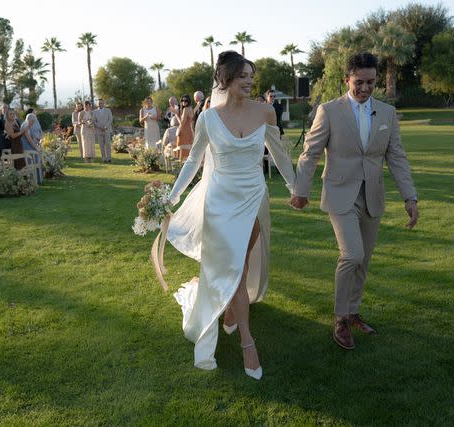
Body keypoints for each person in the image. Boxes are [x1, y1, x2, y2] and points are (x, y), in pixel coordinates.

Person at [164, 51, 296, 379]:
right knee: (234, 271)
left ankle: (231, 315)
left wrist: (295, 186)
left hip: (253, 199)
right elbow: (195, 160)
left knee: (243, 263)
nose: (250, 81)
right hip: (219, 203)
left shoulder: (266, 112)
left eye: (252, 75)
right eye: (243, 76)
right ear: (225, 80)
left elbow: (278, 154)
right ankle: (248, 344)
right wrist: (173, 195)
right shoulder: (208, 119)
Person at [290, 52, 419, 350]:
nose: (365, 88)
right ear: (347, 79)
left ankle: (353, 309)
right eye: (359, 82)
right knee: (352, 255)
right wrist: (301, 189)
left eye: (371, 82)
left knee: (364, 260)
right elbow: (309, 153)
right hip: (339, 194)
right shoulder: (329, 111)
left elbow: (396, 157)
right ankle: (340, 319)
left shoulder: (387, 113)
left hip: (372, 196)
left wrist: (409, 197)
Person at [21, 113, 42, 183]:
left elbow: (32, 138)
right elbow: (29, 140)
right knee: (33, 160)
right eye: (31, 121)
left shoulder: (28, 125)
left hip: (28, 146)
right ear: (28, 120)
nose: (33, 123)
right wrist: (36, 148)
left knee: (37, 158)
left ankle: (37, 179)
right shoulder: (25, 126)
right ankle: (33, 180)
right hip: (26, 147)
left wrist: (37, 142)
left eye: (34, 121)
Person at [173, 94, 194, 161]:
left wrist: (176, 115)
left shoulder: (185, 109)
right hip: (189, 130)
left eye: (185, 100)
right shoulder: (191, 108)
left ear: (188, 101)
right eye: (182, 100)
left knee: (182, 150)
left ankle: (180, 166)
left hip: (184, 131)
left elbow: (182, 123)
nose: (183, 102)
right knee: (188, 150)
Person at [93, 98, 113, 163]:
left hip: (107, 129)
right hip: (99, 130)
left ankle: (109, 158)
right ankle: (103, 158)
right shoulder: (95, 112)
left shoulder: (108, 110)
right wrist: (100, 127)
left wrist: (105, 127)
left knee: (107, 144)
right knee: (101, 145)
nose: (100, 104)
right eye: (99, 103)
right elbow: (94, 121)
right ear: (97, 104)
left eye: (101, 103)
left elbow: (110, 119)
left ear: (103, 103)